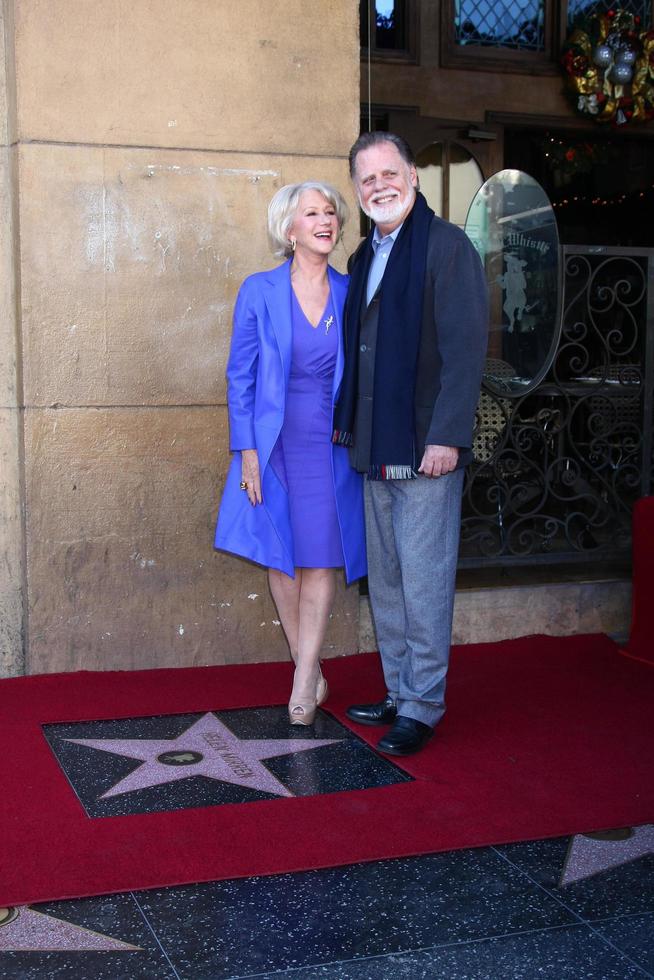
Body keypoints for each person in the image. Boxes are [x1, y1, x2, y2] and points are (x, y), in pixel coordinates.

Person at [334, 132, 488, 756]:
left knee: (423, 580)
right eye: (366, 179)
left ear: (413, 177)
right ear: (357, 189)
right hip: (376, 443)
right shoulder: (361, 258)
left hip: (426, 445)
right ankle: (399, 689)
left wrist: (448, 436)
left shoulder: (447, 248)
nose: (379, 186)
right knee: (391, 581)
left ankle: (422, 705)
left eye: (388, 173)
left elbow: (465, 351)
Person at [215, 181, 366, 726]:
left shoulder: (354, 291)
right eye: (313, 213)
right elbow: (241, 377)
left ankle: (304, 679)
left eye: (331, 213)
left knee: (321, 556)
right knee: (282, 558)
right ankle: (312, 666)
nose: (325, 221)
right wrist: (247, 453)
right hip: (273, 444)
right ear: (290, 228)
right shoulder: (259, 290)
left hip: (331, 446)